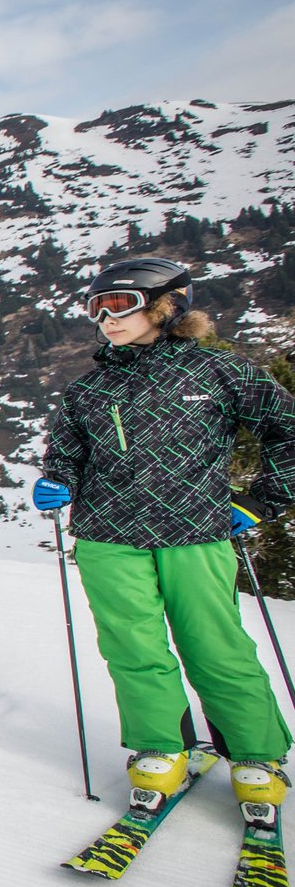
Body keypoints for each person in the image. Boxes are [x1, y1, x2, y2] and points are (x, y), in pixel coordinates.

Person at [35, 256, 291, 809]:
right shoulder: (86, 391)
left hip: (197, 530)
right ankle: (162, 745)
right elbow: (67, 455)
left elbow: (287, 432)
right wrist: (57, 481)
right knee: (132, 645)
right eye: (96, 308)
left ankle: (255, 751)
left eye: (121, 304)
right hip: (107, 535)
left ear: (166, 305)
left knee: (214, 643)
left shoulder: (220, 373)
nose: (106, 318)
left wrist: (261, 500)